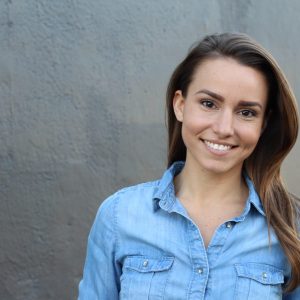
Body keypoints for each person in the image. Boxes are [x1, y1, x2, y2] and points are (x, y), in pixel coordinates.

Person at [78, 33, 300, 299]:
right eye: (208, 104)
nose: (223, 128)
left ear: (263, 124)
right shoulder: (118, 216)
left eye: (246, 112)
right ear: (180, 105)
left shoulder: (290, 227)